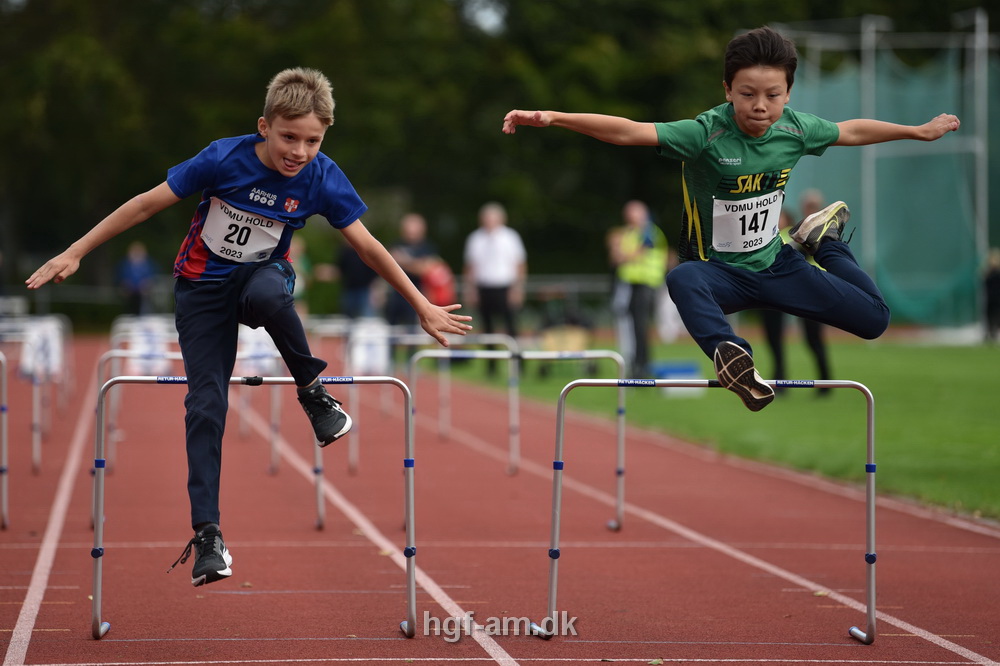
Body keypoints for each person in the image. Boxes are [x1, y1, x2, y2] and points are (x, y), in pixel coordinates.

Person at [25, 67, 471, 587]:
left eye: (312, 140)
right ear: (264, 126)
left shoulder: (322, 176)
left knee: (268, 292)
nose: (298, 151)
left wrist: (420, 303)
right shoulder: (221, 158)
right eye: (288, 137)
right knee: (205, 405)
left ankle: (314, 394)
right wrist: (76, 251)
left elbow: (368, 247)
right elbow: (146, 204)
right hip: (201, 291)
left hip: (262, 277)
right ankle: (208, 536)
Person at [502, 26, 960, 411]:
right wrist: (554, 117)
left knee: (876, 320)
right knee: (682, 279)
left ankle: (824, 240)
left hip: (778, 264)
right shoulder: (705, 133)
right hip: (720, 274)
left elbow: (851, 130)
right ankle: (733, 356)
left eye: (772, 95)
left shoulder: (796, 129)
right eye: (747, 94)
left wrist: (916, 132)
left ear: (788, 93)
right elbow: (628, 131)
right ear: (727, 90)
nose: (760, 106)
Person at [759, 196, 832, 394]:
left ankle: (825, 382)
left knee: (813, 338)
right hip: (775, 292)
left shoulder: (799, 235)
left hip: (807, 289)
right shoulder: (768, 238)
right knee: (773, 337)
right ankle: (779, 381)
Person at [462, 201, 526, 375]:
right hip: (484, 288)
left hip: (505, 286)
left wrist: (517, 289)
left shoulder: (510, 237)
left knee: (511, 328)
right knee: (487, 328)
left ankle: (518, 365)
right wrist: (471, 289)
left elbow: (520, 264)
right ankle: (491, 366)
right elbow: (470, 267)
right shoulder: (475, 238)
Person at [607, 200, 668, 377]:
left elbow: (635, 254)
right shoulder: (630, 233)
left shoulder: (649, 230)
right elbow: (615, 257)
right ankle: (635, 362)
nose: (628, 217)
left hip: (646, 283)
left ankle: (642, 365)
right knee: (631, 325)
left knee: (640, 326)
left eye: (632, 213)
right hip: (630, 284)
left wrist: (621, 253)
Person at [385, 212, 438, 328]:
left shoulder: (428, 247)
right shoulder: (396, 244)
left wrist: (402, 261)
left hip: (417, 293)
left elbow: (425, 270)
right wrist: (415, 263)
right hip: (396, 293)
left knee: (411, 328)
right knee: (391, 328)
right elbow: (387, 266)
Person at [116, 240, 159, 315]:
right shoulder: (125, 264)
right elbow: (121, 277)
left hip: (145, 294)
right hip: (129, 294)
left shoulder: (149, 264)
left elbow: (154, 277)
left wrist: (148, 284)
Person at [984, 247, 1000, 343]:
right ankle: (990, 332)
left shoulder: (997, 273)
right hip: (990, 298)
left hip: (998, 299)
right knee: (989, 316)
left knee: (996, 316)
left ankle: (994, 332)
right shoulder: (988, 273)